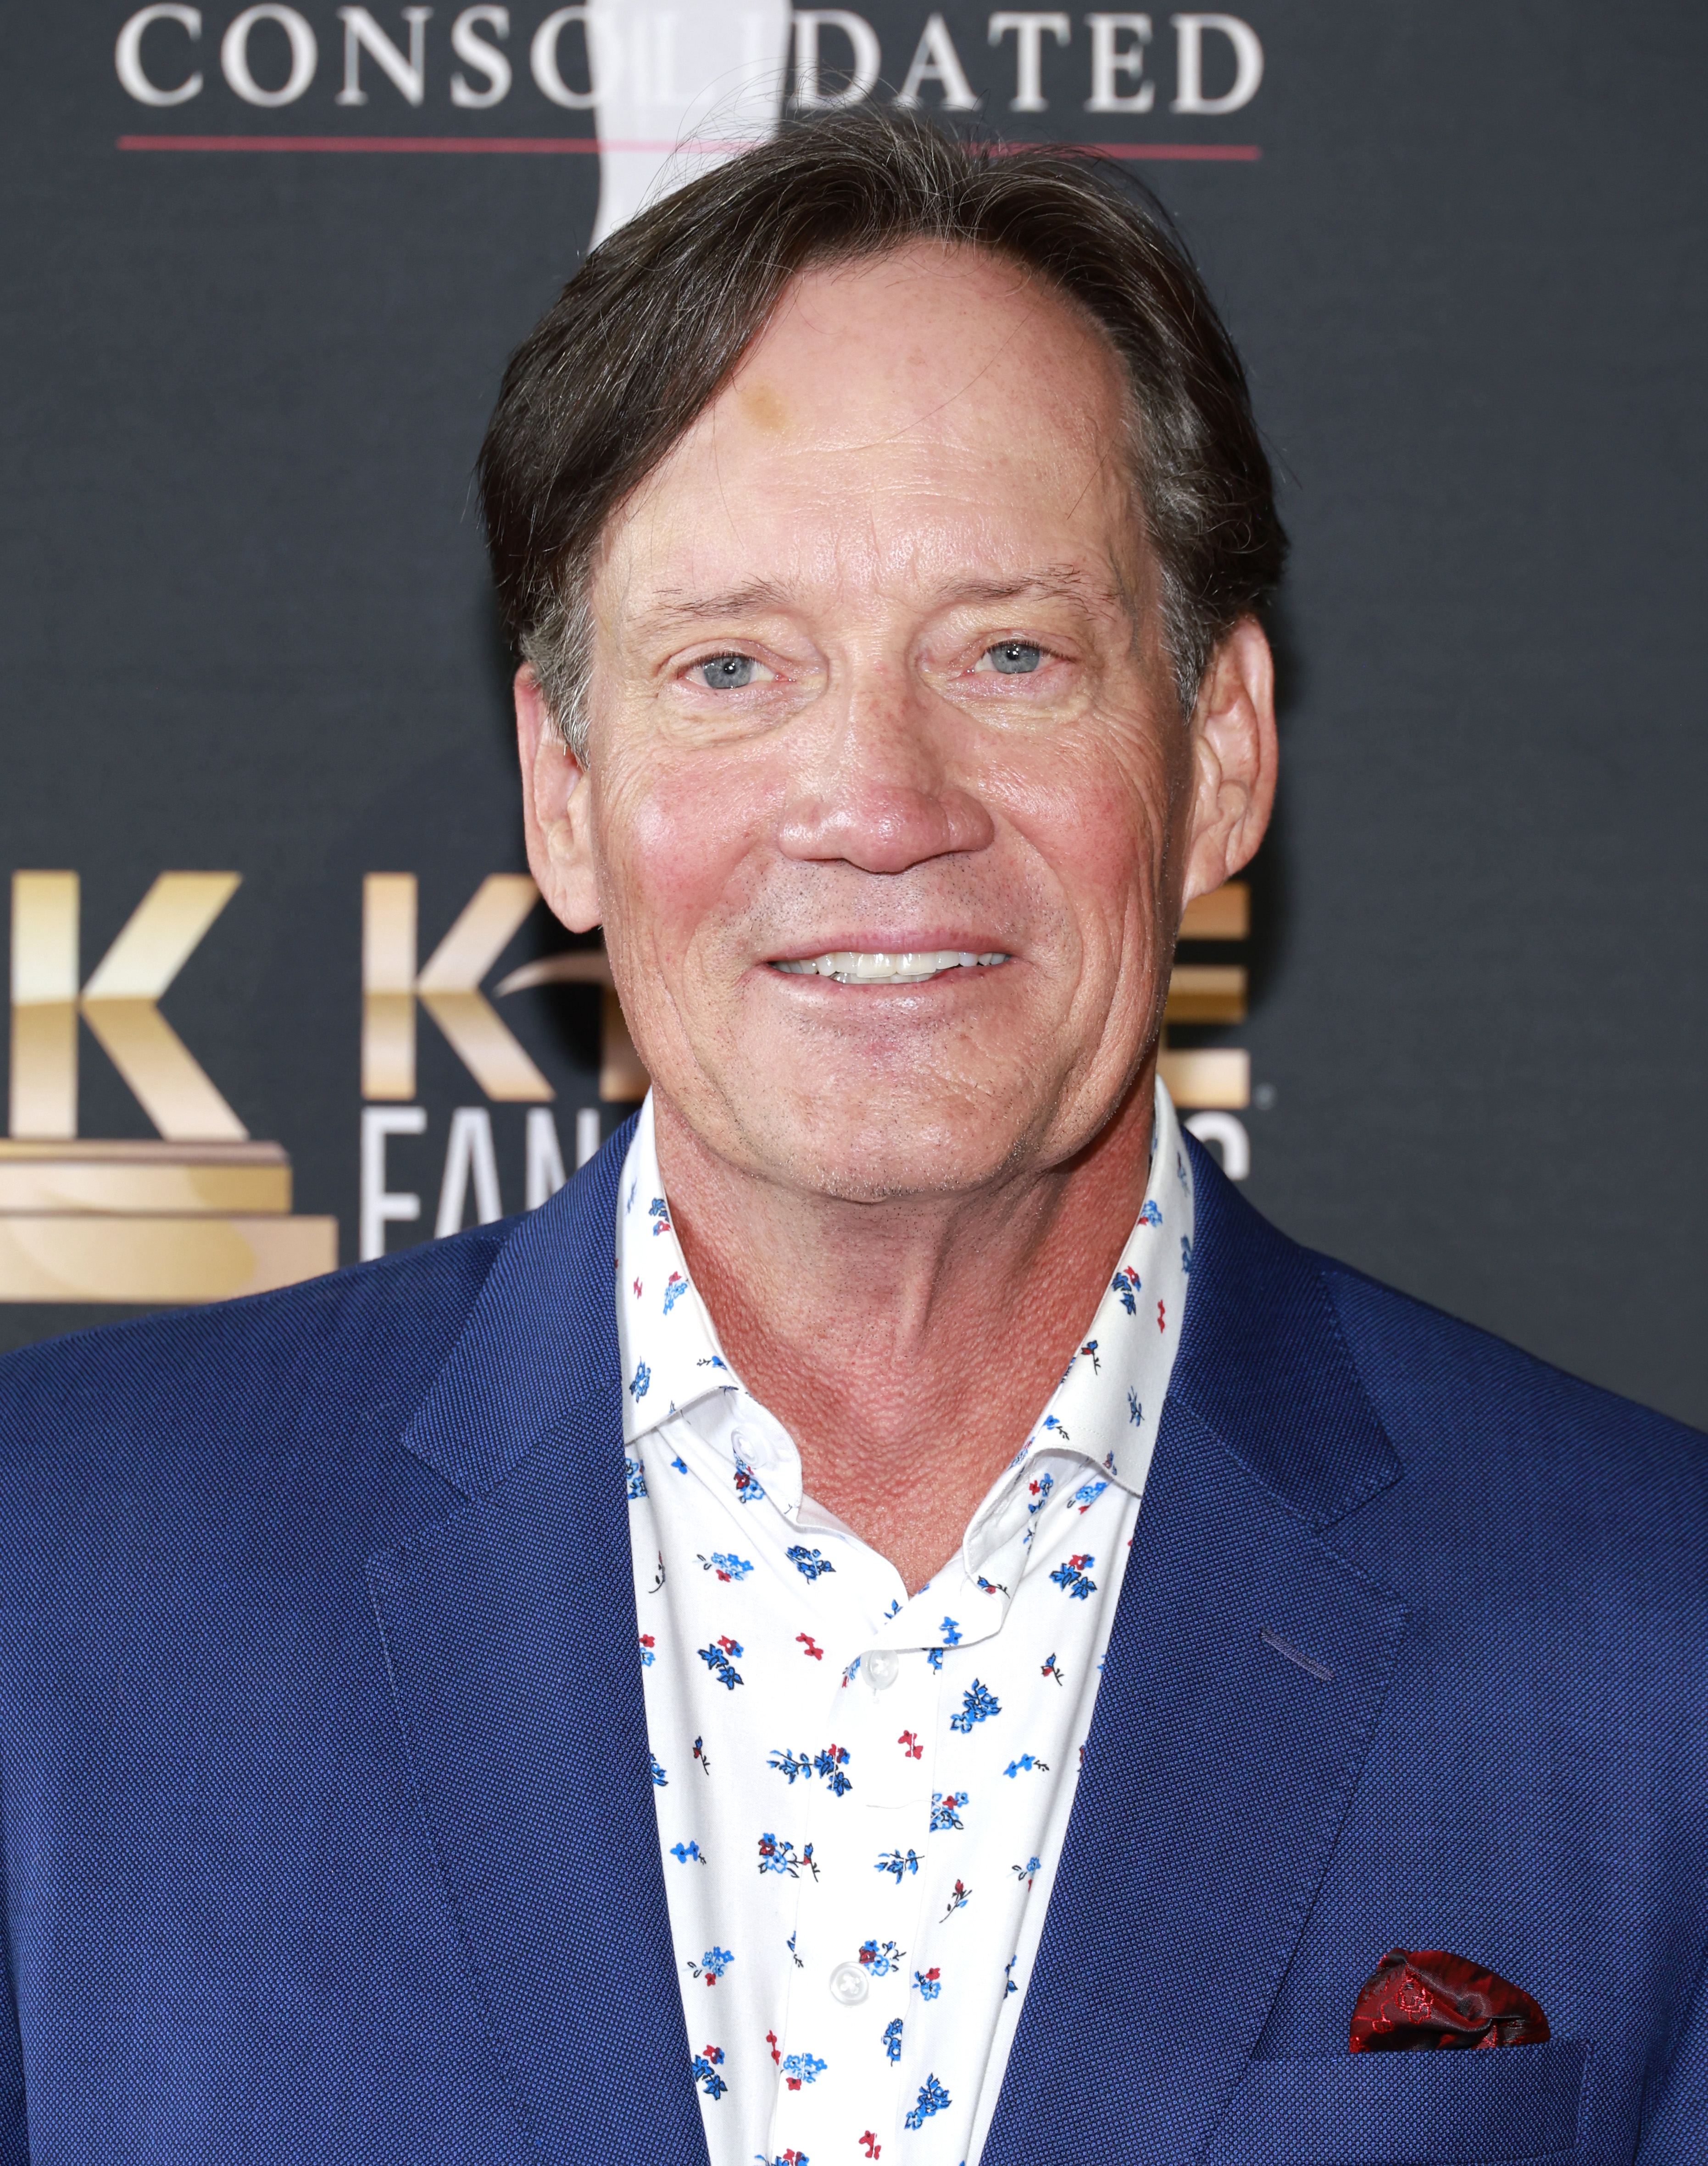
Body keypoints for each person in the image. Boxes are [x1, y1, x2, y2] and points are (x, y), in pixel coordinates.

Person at [0, 107, 1700, 2166]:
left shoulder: (1655, 1645)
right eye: (732, 667)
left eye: (1011, 654)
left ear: (1220, 750)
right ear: (563, 793)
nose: (880, 804)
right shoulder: (54, 1591)